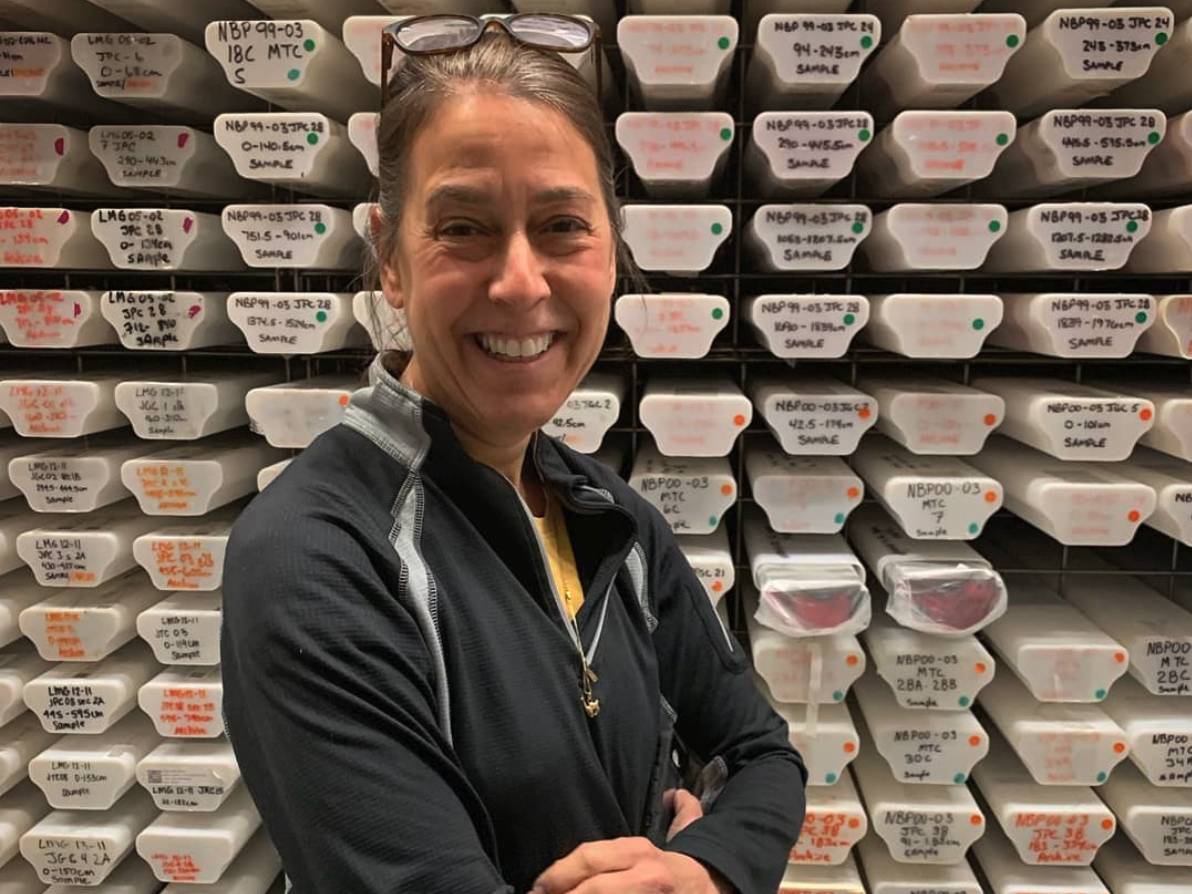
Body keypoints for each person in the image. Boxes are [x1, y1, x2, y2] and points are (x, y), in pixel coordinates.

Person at [221, 14, 806, 894]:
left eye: (563, 225)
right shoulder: (315, 560)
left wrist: (706, 870)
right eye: (463, 227)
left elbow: (763, 753)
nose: (521, 282)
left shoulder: (609, 515)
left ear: (612, 248)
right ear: (389, 257)